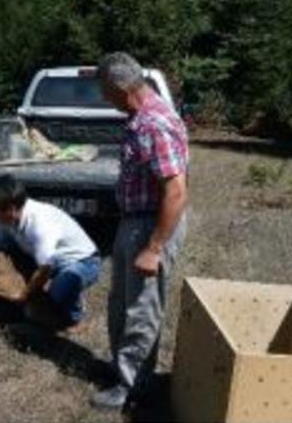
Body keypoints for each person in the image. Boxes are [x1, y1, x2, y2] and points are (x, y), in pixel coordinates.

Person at [91, 52, 189, 410]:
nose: (104, 98)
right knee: (122, 303)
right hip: (134, 222)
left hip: (151, 225)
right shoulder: (140, 118)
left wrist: (155, 246)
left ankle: (134, 386)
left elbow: (176, 192)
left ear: (119, 86)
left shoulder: (153, 123)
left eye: (104, 90)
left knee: (142, 308)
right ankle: (123, 369)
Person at [0, 174, 101, 332]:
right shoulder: (4, 217)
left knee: (60, 289)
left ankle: (74, 317)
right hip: (44, 261)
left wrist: (23, 294)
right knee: (8, 261)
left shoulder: (40, 223)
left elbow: (45, 269)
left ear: (11, 208)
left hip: (83, 262)